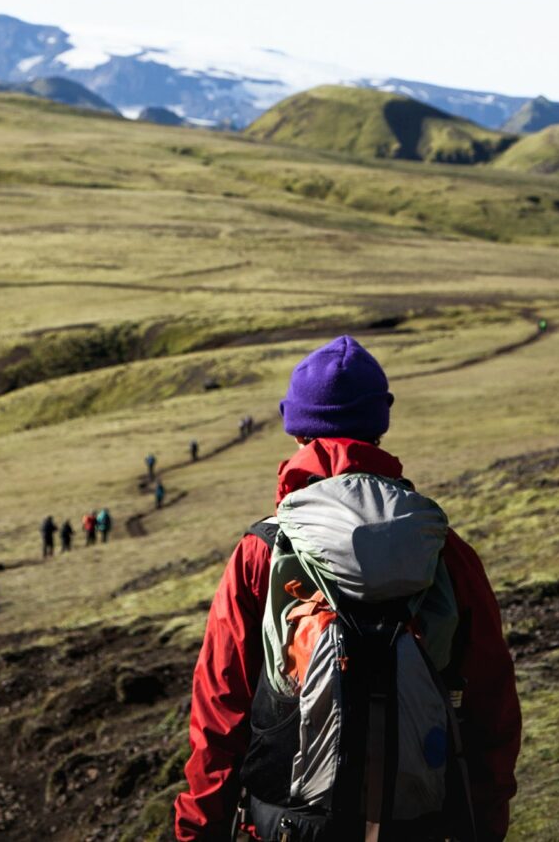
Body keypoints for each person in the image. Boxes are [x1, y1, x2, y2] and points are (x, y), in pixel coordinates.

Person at [175, 336, 520, 842]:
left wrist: (196, 833)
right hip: (420, 827)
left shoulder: (263, 551)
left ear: (296, 431)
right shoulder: (442, 549)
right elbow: (493, 706)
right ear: (379, 426)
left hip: (285, 827)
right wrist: (484, 827)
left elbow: (218, 715)